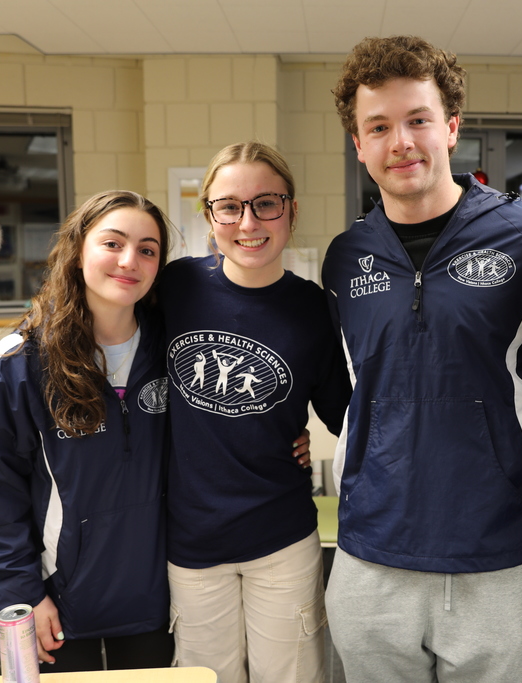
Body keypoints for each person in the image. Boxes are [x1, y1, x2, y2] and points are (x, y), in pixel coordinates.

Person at [321, 35, 522, 682]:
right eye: (379, 126)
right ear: (359, 145)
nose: (401, 141)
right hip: (371, 550)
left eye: (418, 120)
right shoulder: (346, 256)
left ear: (451, 128)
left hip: (495, 552)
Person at [0, 191, 177, 671]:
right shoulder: (17, 365)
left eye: (147, 249)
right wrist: (22, 595)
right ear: (79, 252)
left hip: (158, 598)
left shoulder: (174, 347)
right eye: (112, 243)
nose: (129, 261)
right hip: (55, 604)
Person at [159, 141, 351, 683]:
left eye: (266, 203)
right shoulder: (175, 287)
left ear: (291, 211)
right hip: (192, 543)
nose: (249, 221)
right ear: (209, 216)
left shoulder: (315, 308)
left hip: (281, 541)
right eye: (229, 206)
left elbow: (346, 414)